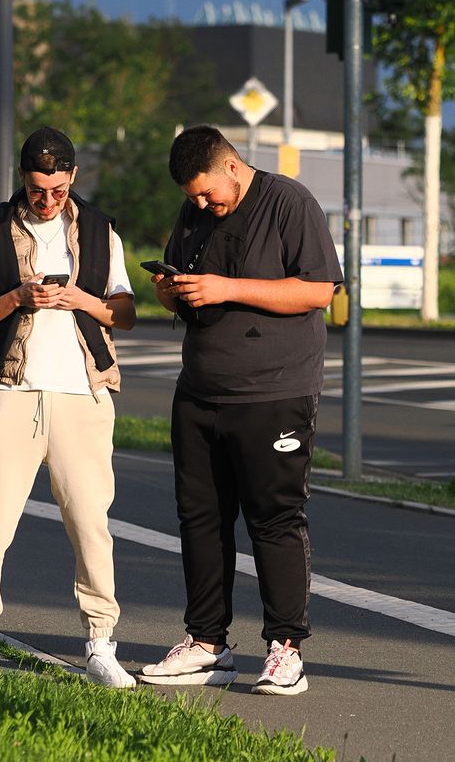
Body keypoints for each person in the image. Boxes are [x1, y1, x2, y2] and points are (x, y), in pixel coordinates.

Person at [140, 126, 342, 696]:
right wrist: (173, 289)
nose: (202, 204)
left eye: (208, 193)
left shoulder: (288, 201)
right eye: (193, 197)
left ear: (231, 166)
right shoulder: (193, 211)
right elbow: (178, 284)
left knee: (273, 517)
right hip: (201, 389)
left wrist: (226, 288)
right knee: (199, 518)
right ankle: (207, 644)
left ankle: (285, 648)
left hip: (275, 390)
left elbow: (318, 290)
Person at [0, 127, 138, 688]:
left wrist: (82, 299)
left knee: (90, 526)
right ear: (23, 179)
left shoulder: (102, 230)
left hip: (84, 393)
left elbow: (125, 313)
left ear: (73, 178)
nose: (48, 200)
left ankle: (101, 644)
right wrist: (17, 297)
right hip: (14, 392)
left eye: (58, 190)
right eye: (38, 190)